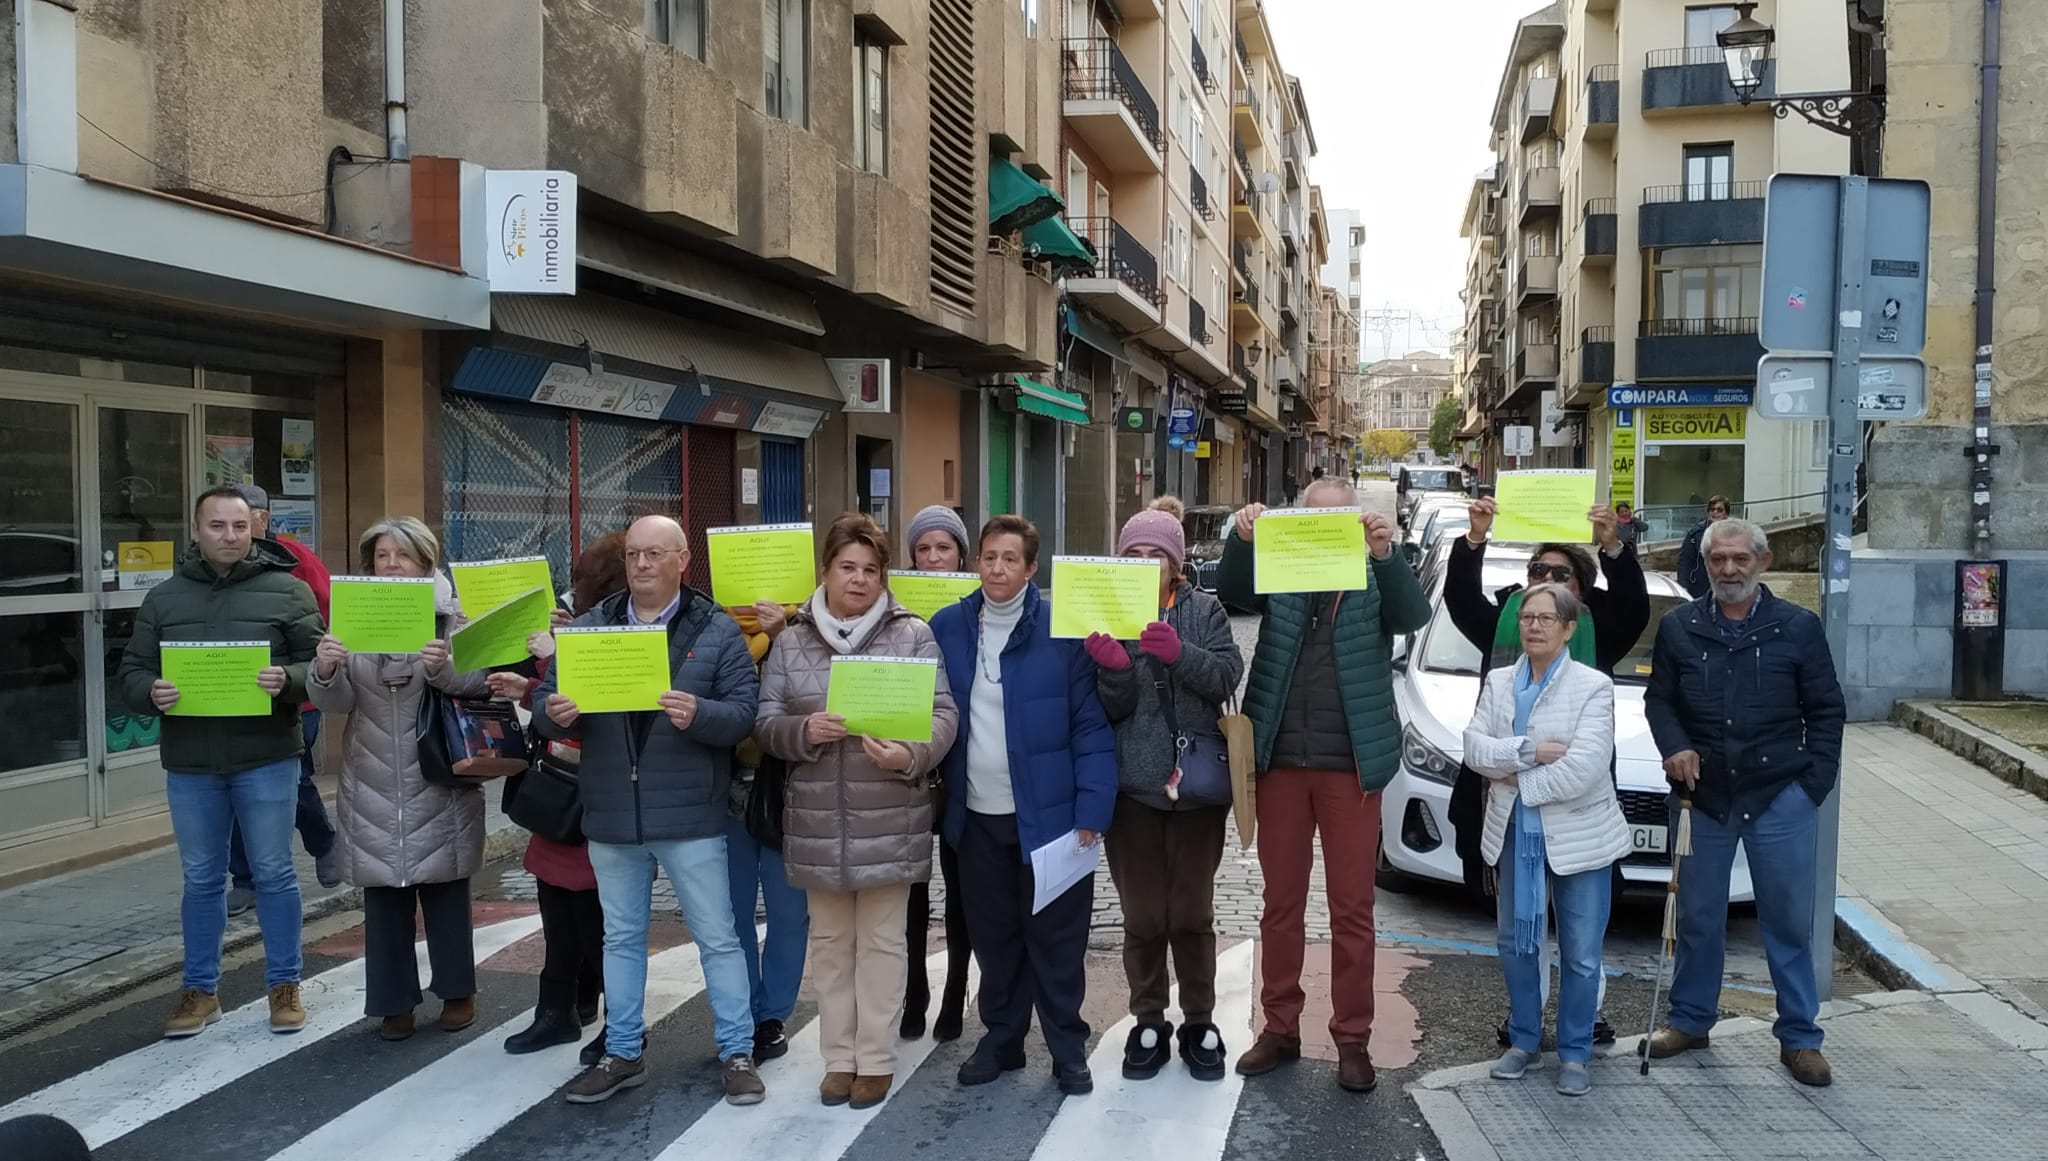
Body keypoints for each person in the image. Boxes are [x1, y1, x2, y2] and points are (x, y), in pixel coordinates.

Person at [534, 515, 767, 1107]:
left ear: (682, 559)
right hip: (612, 811)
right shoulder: (591, 627)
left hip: (689, 813)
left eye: (654, 554)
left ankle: (737, 1050)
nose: (641, 565)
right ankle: (623, 1051)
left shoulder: (714, 628)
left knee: (718, 936)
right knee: (622, 938)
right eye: (634, 554)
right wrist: (553, 712)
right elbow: (544, 703)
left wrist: (702, 716)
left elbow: (745, 711)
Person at [1215, 477, 1432, 1094]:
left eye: (1338, 519)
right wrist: (1243, 539)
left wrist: (1388, 557)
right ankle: (1279, 1027)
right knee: (1280, 905)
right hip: (1280, 759)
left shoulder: (1373, 578)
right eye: (1314, 518)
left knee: (1353, 911)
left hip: (1351, 767)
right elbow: (1231, 592)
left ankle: (1352, 1038)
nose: (1325, 527)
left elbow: (1413, 615)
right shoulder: (1280, 574)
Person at [756, 513, 959, 1109]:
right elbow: (765, 722)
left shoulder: (912, 635)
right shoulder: (792, 640)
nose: (860, 579)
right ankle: (836, 1057)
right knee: (830, 943)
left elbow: (945, 716)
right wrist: (802, 730)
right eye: (848, 567)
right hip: (817, 819)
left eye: (871, 569)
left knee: (883, 943)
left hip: (889, 812)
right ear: (825, 570)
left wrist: (909, 755)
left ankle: (874, 1058)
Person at [1644, 518, 1845, 1088]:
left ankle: (1801, 1038)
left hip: (1781, 794)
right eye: (1718, 560)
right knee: (1698, 917)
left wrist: (1812, 788)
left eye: (1739, 559)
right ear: (1705, 564)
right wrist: (1675, 746)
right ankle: (1689, 1021)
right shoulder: (1681, 626)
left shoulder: (1798, 628)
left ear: (1763, 560)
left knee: (1785, 922)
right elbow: (1660, 702)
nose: (1728, 570)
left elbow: (1827, 712)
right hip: (1703, 798)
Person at [116, 486, 323, 1038]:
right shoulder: (164, 598)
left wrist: (291, 681)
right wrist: (149, 692)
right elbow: (132, 671)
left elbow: (321, 666)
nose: (229, 536)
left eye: (238, 526)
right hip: (191, 762)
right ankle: (200, 990)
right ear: (196, 530)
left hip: (267, 756)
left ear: (253, 528)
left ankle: (284, 983)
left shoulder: (288, 591)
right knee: (202, 878)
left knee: (276, 873)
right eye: (216, 526)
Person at [1444, 495, 1650, 1047]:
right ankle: (1525, 1024)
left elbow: (1634, 607)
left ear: (1580, 590)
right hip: (1507, 810)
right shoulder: (1513, 616)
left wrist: (1612, 546)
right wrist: (1474, 541)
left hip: (1575, 806)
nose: (1545, 580)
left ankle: (1585, 1023)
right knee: (1520, 931)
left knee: (1581, 935)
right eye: (1538, 571)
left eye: (1560, 574)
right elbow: (1462, 603)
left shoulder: (1599, 626)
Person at [929, 515, 1118, 1097]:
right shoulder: (948, 627)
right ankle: (1003, 1037)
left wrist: (1093, 810)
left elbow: (1090, 727)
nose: (997, 568)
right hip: (976, 818)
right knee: (995, 935)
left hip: (1051, 820)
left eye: (1011, 559)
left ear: (1032, 568)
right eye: (989, 557)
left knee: (1058, 940)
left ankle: (1067, 1046)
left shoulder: (1063, 634)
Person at [308, 517, 491, 1041]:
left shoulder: (452, 618)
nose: (392, 564)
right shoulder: (352, 617)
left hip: (436, 772)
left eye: (403, 556)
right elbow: (337, 702)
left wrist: (444, 668)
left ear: (426, 563)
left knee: (446, 887)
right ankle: (393, 1002)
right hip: (372, 776)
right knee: (384, 896)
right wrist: (324, 670)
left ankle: (458, 991)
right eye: (383, 556)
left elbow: (480, 684)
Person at [1086, 504, 1244, 1081]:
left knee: (1192, 913)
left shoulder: (1204, 610)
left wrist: (1181, 655)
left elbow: (1227, 676)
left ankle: (1199, 1020)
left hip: (1198, 788)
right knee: (1145, 915)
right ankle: (1148, 1017)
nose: (1147, 562)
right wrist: (1114, 670)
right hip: (1133, 790)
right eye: (1134, 553)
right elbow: (1108, 708)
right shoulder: (1107, 609)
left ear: (1176, 563)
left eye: (1157, 554)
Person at [1462, 584, 1626, 1097]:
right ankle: (1524, 1040)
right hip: (1514, 835)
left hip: (1581, 839)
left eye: (1546, 619)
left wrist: (1515, 777)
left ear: (1569, 628)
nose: (1534, 626)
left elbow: (1585, 767)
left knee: (1580, 953)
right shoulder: (1498, 681)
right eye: (1527, 617)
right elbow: (1473, 749)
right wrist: (1530, 750)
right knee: (1517, 942)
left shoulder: (1594, 686)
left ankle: (1575, 1051)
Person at [491, 533, 626, 1061]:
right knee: (557, 902)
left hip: (596, 795)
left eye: (583, 581)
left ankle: (613, 1019)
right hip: (560, 790)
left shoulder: (625, 629)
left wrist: (549, 663)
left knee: (596, 917)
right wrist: (529, 689)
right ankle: (562, 1008)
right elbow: (558, 704)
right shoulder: (583, 624)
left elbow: (597, 701)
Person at [226, 484, 341, 916]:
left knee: (295, 779)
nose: (233, 531)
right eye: (221, 521)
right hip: (233, 699)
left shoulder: (294, 558)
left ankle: (324, 841)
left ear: (264, 519)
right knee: (235, 784)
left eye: (244, 518)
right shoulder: (211, 571)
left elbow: (329, 609)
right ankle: (244, 878)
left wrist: (309, 664)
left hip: (296, 697)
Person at [900, 504, 976, 1041]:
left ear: (960, 555)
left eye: (942, 548)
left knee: (962, 888)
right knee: (909, 890)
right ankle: (913, 991)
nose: (932, 559)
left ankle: (955, 991)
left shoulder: (977, 614)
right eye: (923, 550)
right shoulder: (893, 611)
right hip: (906, 765)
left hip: (961, 765)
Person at [724, 591, 806, 1065]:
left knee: (789, 912)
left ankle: (772, 1015)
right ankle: (741, 1009)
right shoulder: (715, 627)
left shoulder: (804, 628)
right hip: (726, 793)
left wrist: (781, 639)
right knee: (730, 915)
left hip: (783, 793)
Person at [1676, 495, 1731, 600]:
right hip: (1699, 586)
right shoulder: (1695, 533)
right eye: (1712, 509)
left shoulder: (1734, 534)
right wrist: (1683, 586)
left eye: (1719, 510)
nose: (1715, 512)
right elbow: (1684, 560)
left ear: (1726, 514)